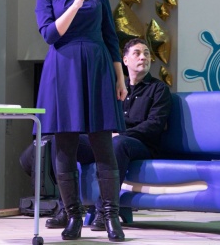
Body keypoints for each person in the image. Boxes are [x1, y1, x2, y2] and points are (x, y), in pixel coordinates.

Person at [21, 38, 172, 231]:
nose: (143, 57)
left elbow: (154, 125)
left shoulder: (159, 89)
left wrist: (119, 134)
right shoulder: (116, 86)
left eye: (147, 54)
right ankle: (67, 209)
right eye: (137, 53)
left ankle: (104, 212)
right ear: (125, 60)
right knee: (61, 141)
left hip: (140, 144)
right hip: (111, 142)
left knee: (118, 144)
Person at [34, 0, 127, 242]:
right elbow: (50, 34)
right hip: (63, 71)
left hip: (98, 69)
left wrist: (120, 78)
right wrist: (75, 4)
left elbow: (110, 37)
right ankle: (73, 215)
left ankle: (110, 216)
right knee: (65, 145)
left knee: (103, 144)